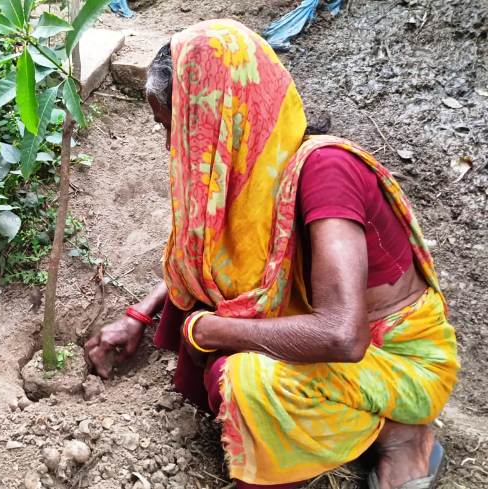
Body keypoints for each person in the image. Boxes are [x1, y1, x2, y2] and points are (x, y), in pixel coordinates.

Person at [84, 19, 458, 489]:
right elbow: (206, 256)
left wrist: (205, 329)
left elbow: (344, 335)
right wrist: (140, 314)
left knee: (244, 378)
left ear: (216, 116)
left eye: (175, 128)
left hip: (396, 359)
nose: (170, 147)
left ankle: (402, 437)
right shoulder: (253, 178)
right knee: (221, 317)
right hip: (345, 347)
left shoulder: (326, 171)